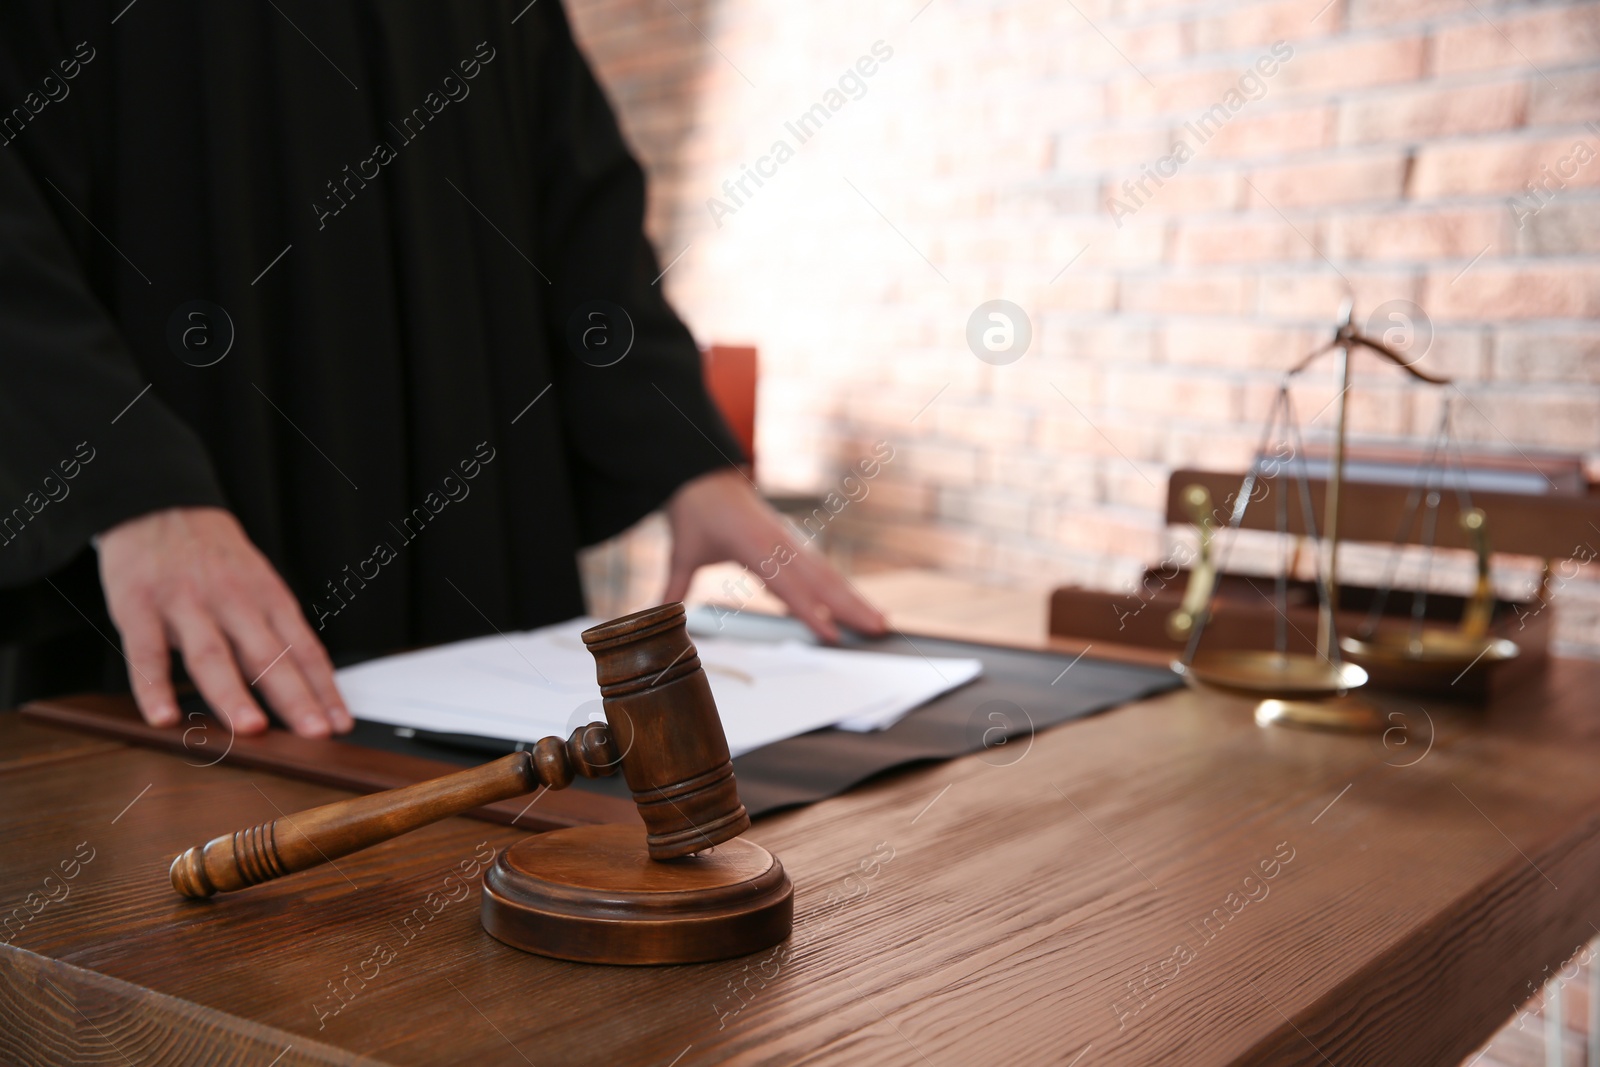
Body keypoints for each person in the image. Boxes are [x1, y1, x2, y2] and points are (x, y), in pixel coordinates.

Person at [0, 1, 883, 738]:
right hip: (177, 559)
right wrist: (113, 472)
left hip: (477, 544)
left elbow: (574, 196)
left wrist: (683, 451)